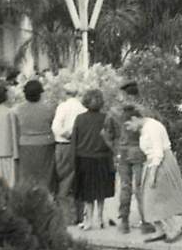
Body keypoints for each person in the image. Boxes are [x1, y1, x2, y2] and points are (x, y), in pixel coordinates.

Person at [121, 105, 182, 243]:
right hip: (152, 162)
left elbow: (158, 151)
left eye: (128, 124)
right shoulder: (144, 128)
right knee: (148, 198)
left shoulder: (152, 127)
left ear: (134, 119)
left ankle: (174, 228)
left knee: (159, 196)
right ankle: (160, 230)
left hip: (161, 163)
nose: (128, 128)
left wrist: (153, 174)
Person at [110, 82, 152, 235]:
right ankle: (145, 222)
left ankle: (124, 222)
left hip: (122, 151)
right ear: (137, 94)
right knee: (140, 187)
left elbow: (106, 133)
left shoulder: (115, 112)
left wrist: (115, 149)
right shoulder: (143, 111)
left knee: (125, 186)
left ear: (124, 94)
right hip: (138, 150)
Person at [72, 89, 116, 230]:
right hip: (103, 158)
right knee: (101, 191)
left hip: (84, 158)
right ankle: (100, 219)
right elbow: (112, 138)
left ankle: (88, 220)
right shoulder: (106, 118)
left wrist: (74, 160)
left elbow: (74, 141)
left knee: (87, 193)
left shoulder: (79, 119)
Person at [52, 86, 87, 226]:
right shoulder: (83, 108)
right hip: (80, 147)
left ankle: (67, 217)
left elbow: (55, 127)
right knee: (78, 180)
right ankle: (80, 215)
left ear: (65, 94)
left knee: (63, 181)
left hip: (64, 146)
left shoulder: (63, 107)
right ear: (77, 93)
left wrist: (66, 133)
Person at [12, 80, 55, 191]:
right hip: (45, 144)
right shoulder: (49, 109)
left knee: (26, 176)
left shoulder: (17, 110)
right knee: (44, 176)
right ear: (40, 94)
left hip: (25, 144)